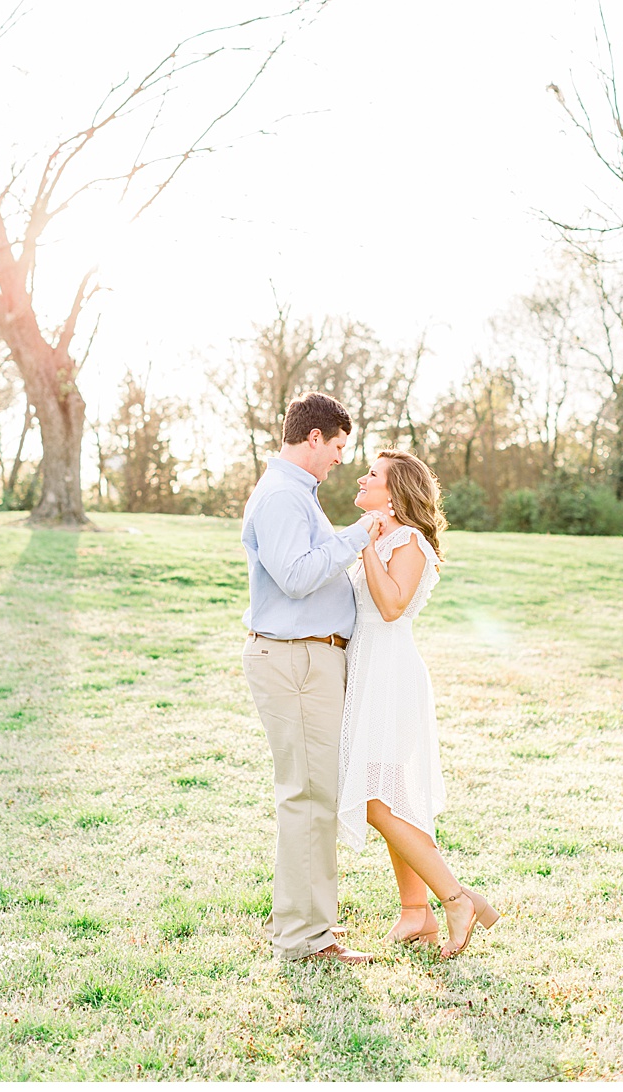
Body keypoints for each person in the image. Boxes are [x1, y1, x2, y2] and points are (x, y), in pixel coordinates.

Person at [339, 451, 500, 958]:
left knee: (373, 799)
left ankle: (455, 898)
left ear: (395, 491)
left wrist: (365, 545)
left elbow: (390, 607)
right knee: (387, 795)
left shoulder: (406, 540)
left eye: (373, 474)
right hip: (366, 669)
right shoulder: (381, 535)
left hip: (389, 674)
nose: (362, 478)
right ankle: (416, 914)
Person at [239, 392, 381, 964]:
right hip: (293, 660)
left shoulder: (301, 496)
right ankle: (303, 939)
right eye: (339, 446)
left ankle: (312, 933)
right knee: (306, 797)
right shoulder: (279, 498)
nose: (342, 459)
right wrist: (359, 535)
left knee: (317, 795)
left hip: (311, 660)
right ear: (315, 437)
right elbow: (296, 578)